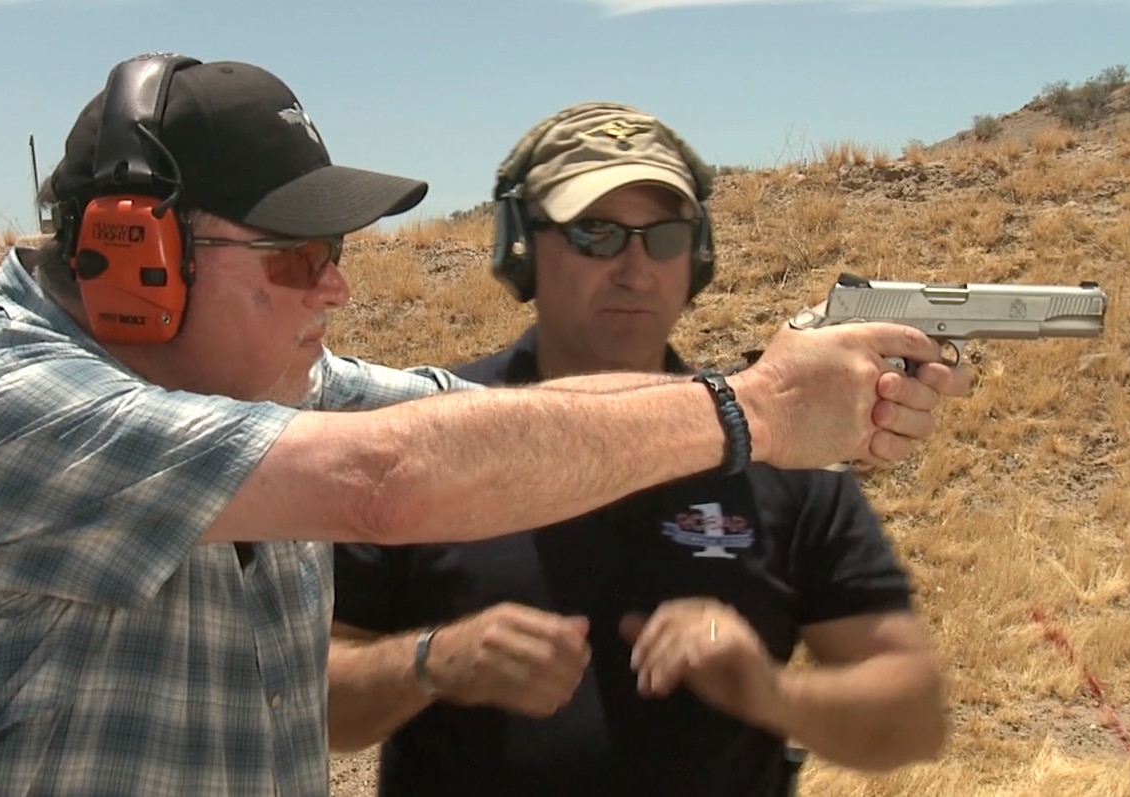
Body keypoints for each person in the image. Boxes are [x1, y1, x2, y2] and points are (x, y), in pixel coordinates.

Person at [0, 52, 967, 797]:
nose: (335, 288)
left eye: (333, 251)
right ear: (139, 255)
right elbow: (385, 480)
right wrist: (756, 409)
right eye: (296, 256)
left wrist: (762, 394)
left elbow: (484, 419)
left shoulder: (257, 386)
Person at [328, 101, 952, 797]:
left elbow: (913, 716)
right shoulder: (430, 432)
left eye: (664, 237)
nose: (635, 270)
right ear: (522, 245)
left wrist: (771, 692)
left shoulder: (786, 448)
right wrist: (430, 662)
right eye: (595, 234)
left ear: (698, 254)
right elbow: (310, 695)